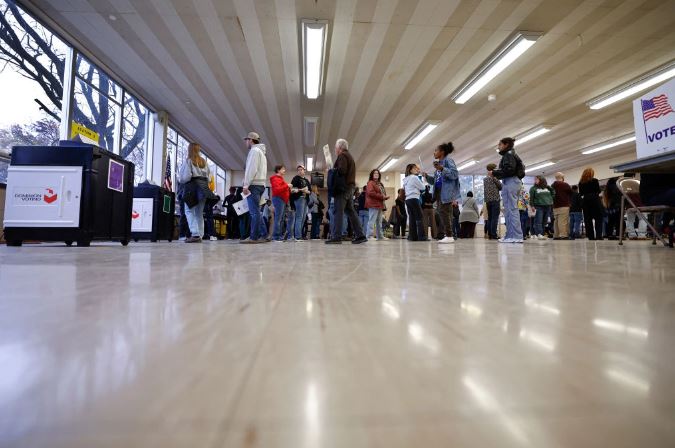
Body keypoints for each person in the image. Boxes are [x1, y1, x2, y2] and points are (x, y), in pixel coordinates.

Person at [326, 139, 367, 244]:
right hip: (350, 187)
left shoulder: (342, 156)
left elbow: (342, 170)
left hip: (343, 188)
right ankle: (361, 235)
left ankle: (337, 237)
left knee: (338, 211)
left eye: (335, 147)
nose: (335, 149)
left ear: (340, 147)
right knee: (351, 212)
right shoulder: (349, 156)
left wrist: (331, 171)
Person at [178, 143, 215, 243]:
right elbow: (209, 177)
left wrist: (181, 179)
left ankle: (195, 234)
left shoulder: (189, 161)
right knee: (199, 213)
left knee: (189, 211)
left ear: (189, 149)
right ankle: (200, 235)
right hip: (203, 188)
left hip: (192, 187)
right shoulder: (204, 162)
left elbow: (185, 177)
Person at [424, 142, 461, 243]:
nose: (434, 152)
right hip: (439, 193)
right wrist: (427, 177)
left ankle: (449, 235)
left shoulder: (448, 160)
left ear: (442, 152)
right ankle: (448, 235)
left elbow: (454, 174)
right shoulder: (438, 166)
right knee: (442, 213)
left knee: (445, 214)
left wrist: (442, 168)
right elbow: (436, 181)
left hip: (446, 192)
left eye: (436, 150)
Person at [491, 137, 525, 243]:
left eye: (500, 144)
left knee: (511, 209)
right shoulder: (510, 155)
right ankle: (510, 235)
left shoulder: (509, 155)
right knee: (509, 210)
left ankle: (516, 236)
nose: (498, 146)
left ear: (506, 145)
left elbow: (509, 170)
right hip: (509, 181)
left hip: (511, 181)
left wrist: (495, 173)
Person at [241, 131, 268, 243]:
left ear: (251, 140)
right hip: (260, 185)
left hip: (254, 185)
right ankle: (264, 234)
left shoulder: (254, 151)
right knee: (257, 211)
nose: (245, 142)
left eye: (246, 140)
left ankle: (253, 237)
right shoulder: (261, 152)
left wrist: (246, 185)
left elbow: (251, 169)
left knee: (254, 213)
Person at [403, 164, 427, 241]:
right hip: (414, 198)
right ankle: (422, 237)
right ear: (410, 170)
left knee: (412, 219)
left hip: (408, 200)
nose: (416, 169)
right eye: (415, 168)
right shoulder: (414, 177)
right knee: (420, 218)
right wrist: (424, 181)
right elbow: (422, 187)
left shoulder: (406, 179)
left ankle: (412, 237)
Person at [578, 167, 604, 240]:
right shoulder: (595, 181)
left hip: (586, 201)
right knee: (598, 218)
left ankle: (591, 236)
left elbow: (581, 193)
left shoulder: (580, 183)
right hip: (595, 200)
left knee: (588, 220)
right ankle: (599, 235)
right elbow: (598, 191)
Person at [365, 169, 389, 241]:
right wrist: (382, 197)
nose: (376, 174)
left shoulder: (379, 184)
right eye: (375, 173)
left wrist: (385, 197)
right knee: (372, 221)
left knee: (379, 222)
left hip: (379, 204)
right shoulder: (370, 183)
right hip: (373, 204)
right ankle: (369, 236)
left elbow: (382, 193)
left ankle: (380, 236)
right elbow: (370, 193)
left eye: (377, 173)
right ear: (372, 175)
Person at [290, 165, 311, 242]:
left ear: (304, 171)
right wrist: (302, 189)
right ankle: (297, 236)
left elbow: (310, 191)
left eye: (301, 169)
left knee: (303, 218)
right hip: (299, 199)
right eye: (298, 170)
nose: (300, 171)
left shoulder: (307, 180)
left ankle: (299, 235)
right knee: (299, 217)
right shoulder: (295, 179)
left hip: (305, 199)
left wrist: (306, 191)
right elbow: (292, 190)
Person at [529, 175, 555, 240]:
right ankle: (539, 234)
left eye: (536, 179)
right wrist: (532, 206)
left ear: (541, 180)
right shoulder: (533, 188)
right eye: (535, 179)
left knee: (545, 221)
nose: (535, 181)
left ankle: (542, 234)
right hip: (538, 206)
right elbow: (531, 198)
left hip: (548, 206)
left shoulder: (547, 188)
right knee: (538, 221)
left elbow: (553, 193)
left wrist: (550, 199)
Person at [269, 165, 291, 242]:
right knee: (278, 219)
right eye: (283, 169)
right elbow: (277, 190)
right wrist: (287, 186)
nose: (284, 170)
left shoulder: (280, 179)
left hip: (281, 200)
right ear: (278, 170)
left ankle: (278, 236)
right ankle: (276, 237)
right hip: (279, 199)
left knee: (280, 219)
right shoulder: (275, 178)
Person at [483, 163, 502, 240]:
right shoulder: (494, 178)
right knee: (495, 218)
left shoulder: (485, 179)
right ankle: (494, 234)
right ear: (493, 170)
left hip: (488, 201)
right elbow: (501, 187)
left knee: (490, 218)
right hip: (495, 200)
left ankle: (490, 234)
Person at [551, 172, 572, 240]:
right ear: (562, 178)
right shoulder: (565, 185)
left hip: (555, 206)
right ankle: (563, 235)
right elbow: (571, 193)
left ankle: (556, 235)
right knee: (563, 221)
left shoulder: (552, 185)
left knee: (556, 221)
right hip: (564, 205)